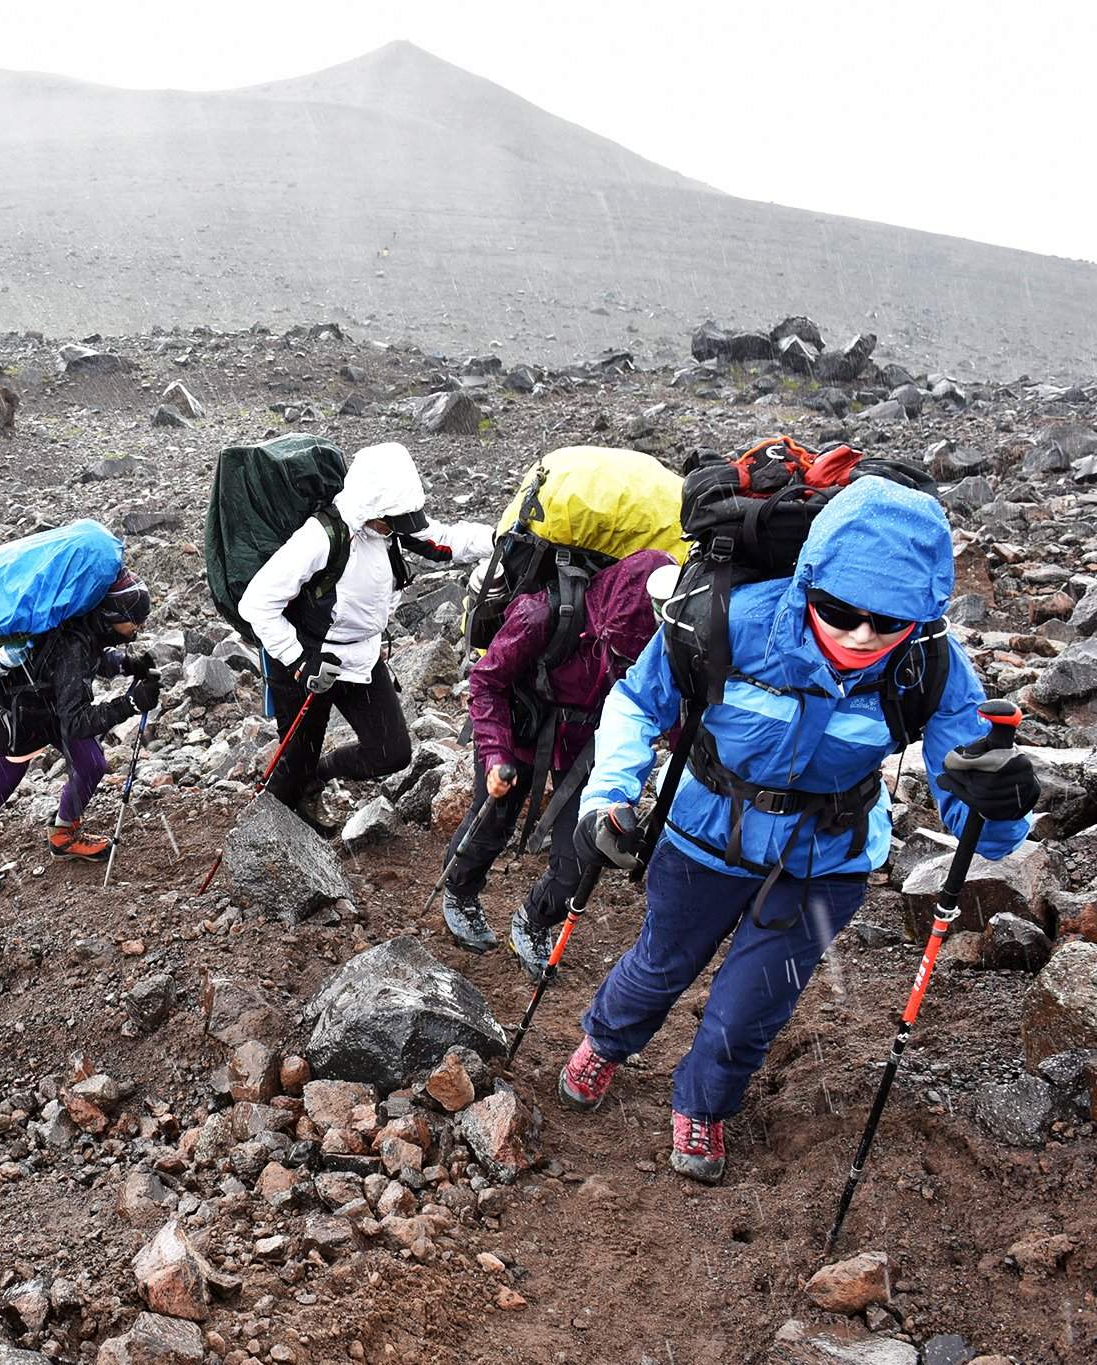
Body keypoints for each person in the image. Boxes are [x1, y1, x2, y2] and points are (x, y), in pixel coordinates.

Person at [559, 478, 1037, 1184]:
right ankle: (605, 1039)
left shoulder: (930, 665)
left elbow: (980, 831)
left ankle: (704, 1103)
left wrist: (1001, 801)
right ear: (809, 579)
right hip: (702, 837)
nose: (860, 635)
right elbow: (636, 703)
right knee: (658, 967)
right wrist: (606, 800)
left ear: (922, 615)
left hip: (827, 859)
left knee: (749, 1008)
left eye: (888, 621)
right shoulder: (728, 619)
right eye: (840, 611)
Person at [440, 549, 674, 972]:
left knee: (580, 856)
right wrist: (495, 755)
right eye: (618, 655)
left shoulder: (661, 638)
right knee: (492, 817)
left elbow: (663, 704)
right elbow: (486, 681)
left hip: (586, 747)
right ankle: (459, 889)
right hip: (520, 726)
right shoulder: (541, 614)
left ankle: (533, 920)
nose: (624, 667)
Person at [239, 441, 478, 832]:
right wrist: (299, 660)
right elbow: (256, 604)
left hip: (361, 659)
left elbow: (447, 539)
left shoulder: (390, 525)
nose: (396, 529)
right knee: (291, 768)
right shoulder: (321, 535)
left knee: (391, 752)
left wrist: (506, 537)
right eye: (391, 521)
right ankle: (264, 840)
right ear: (371, 506)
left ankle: (315, 776)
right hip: (307, 663)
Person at [0, 570, 158, 897]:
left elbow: (91, 659)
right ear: (112, 615)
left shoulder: (82, 623)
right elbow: (79, 718)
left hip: (51, 708)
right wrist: (129, 704)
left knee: (92, 765)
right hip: (17, 721)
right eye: (136, 622)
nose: (139, 629)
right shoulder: (76, 641)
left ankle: (63, 834)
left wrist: (128, 663)